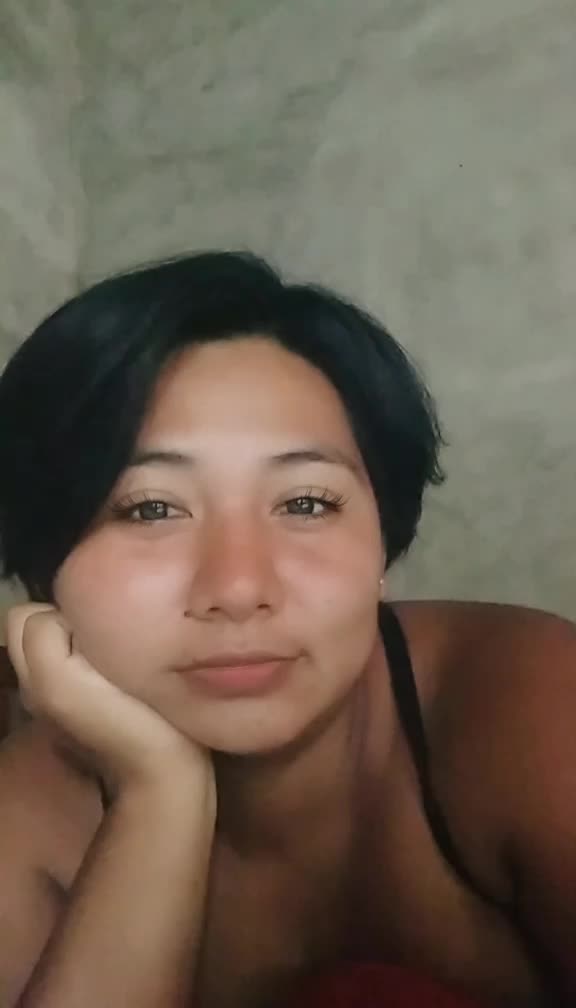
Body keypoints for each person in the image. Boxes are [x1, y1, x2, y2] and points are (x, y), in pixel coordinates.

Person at [0, 251, 574, 1008]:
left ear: (383, 545)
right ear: (45, 571)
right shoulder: (28, 818)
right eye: (149, 509)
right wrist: (158, 793)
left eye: (306, 503)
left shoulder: (535, 706)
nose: (240, 589)